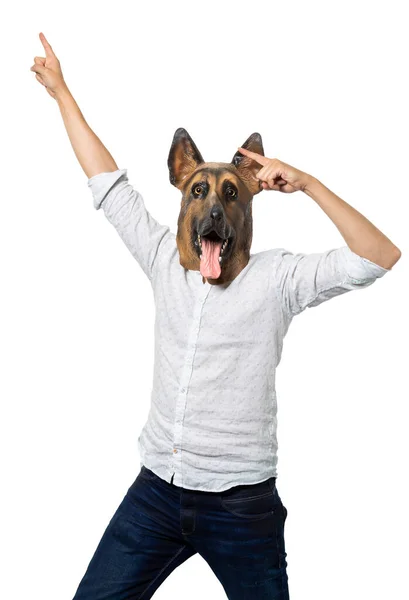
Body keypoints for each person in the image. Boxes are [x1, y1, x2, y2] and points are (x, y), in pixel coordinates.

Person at [30, 32, 401, 600]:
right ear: (182, 193)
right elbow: (106, 181)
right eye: (199, 192)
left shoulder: (277, 279)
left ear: (248, 202)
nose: (212, 208)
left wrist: (307, 184)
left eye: (230, 195)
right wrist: (61, 92)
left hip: (242, 506)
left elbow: (378, 257)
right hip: (157, 491)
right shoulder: (161, 259)